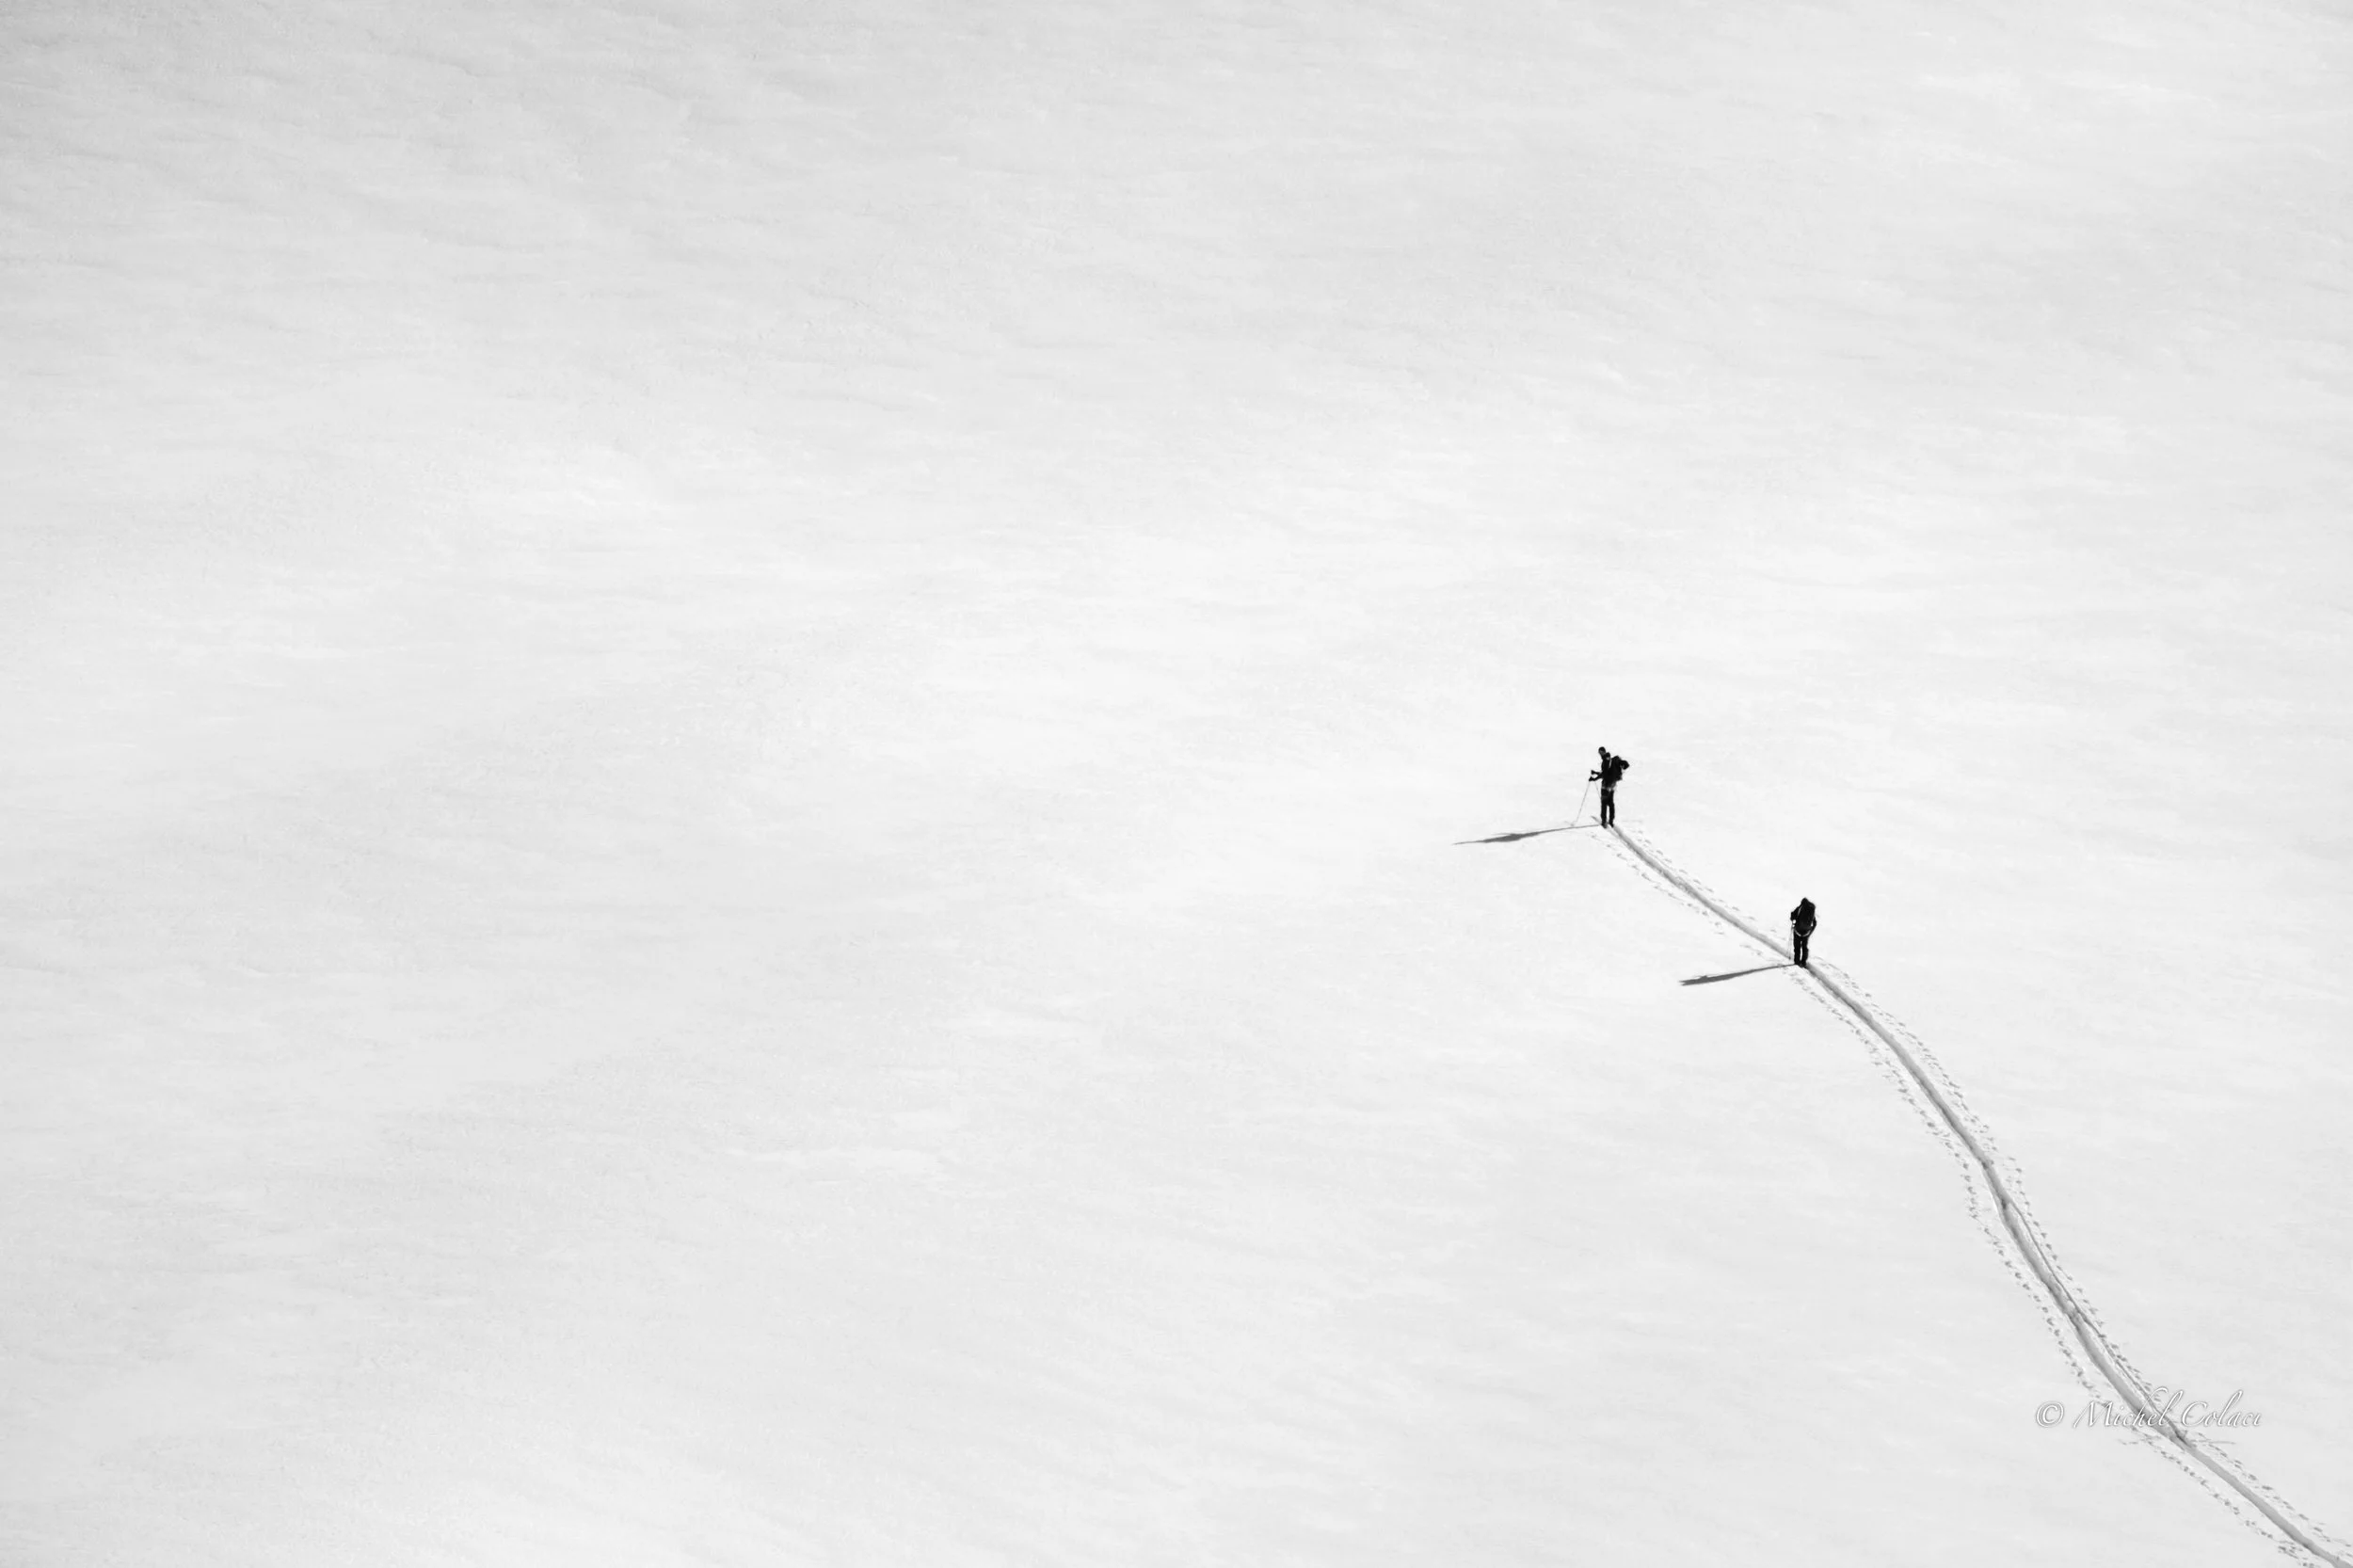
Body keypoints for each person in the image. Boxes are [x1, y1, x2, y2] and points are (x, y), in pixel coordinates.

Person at [1589, 747, 1631, 827]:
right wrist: (1596, 773)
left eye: (1600, 752)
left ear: (1603, 752)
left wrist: (1594, 778)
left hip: (1606, 785)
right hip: (1613, 785)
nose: (1600, 754)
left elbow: (1604, 774)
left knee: (1604, 803)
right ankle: (1611, 821)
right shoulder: (1613, 760)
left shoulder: (1606, 761)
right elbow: (1607, 772)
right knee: (1611, 803)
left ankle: (1604, 821)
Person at [1790, 897, 1817, 967]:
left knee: (1797, 947)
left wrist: (1793, 917)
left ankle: (1797, 962)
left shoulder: (1800, 908)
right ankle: (1803, 962)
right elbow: (1815, 923)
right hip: (1806, 932)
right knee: (1804, 947)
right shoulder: (1811, 910)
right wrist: (1810, 931)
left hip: (1797, 931)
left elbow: (1793, 917)